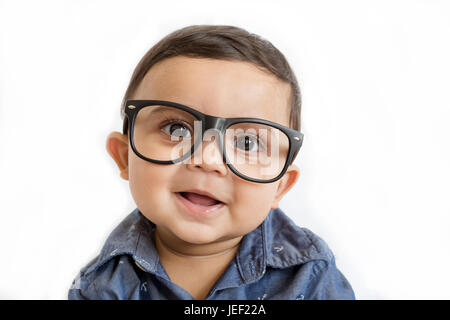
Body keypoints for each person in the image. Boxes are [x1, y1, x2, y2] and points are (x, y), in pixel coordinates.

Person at [68, 24, 355, 300]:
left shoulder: (311, 277)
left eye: (247, 143)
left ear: (280, 185)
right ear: (124, 157)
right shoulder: (101, 286)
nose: (207, 160)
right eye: (176, 129)